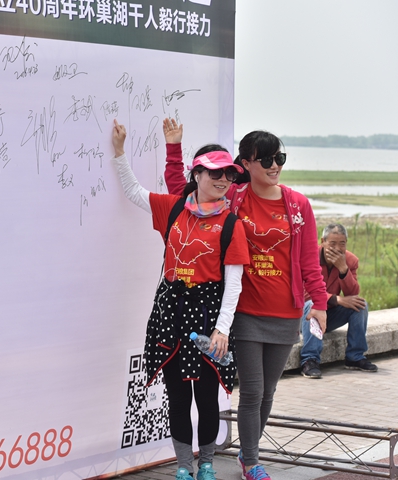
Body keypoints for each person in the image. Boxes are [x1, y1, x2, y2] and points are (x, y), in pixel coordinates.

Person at [164, 120, 328, 480]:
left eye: (279, 158)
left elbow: (309, 261)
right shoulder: (234, 198)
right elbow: (182, 192)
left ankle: (246, 453)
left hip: (286, 313)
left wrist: (319, 303)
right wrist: (174, 150)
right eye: (266, 160)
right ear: (247, 164)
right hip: (246, 312)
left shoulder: (297, 205)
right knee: (252, 390)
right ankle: (252, 461)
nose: (274, 166)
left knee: (268, 392)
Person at [112, 119, 249, 480]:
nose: (223, 180)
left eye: (229, 175)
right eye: (215, 173)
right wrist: (120, 153)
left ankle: (207, 465)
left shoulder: (231, 224)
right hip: (170, 316)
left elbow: (233, 285)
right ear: (197, 174)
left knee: (206, 396)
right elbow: (133, 191)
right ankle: (184, 466)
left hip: (207, 320)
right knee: (177, 396)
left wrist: (222, 330)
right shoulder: (174, 209)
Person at [299, 223, 377, 378]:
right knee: (311, 304)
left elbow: (352, 294)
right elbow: (304, 294)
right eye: (332, 243)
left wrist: (343, 269)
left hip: (328, 316)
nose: (337, 248)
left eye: (342, 244)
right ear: (323, 241)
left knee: (360, 305)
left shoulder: (350, 260)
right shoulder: (309, 257)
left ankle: (355, 357)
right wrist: (336, 299)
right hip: (302, 316)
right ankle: (309, 360)